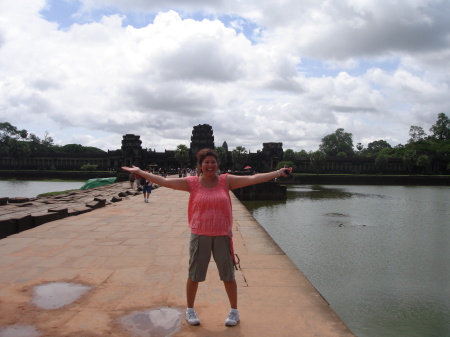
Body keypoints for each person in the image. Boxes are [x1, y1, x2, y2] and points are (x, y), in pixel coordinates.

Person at [121, 148, 292, 327]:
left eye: (213, 162)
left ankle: (234, 311)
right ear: (200, 166)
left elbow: (253, 179)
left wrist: (279, 172)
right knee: (194, 275)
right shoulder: (192, 183)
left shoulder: (226, 181)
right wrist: (140, 172)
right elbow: (164, 181)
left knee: (228, 275)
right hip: (199, 235)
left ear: (217, 164)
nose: (210, 165)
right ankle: (190, 309)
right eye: (206, 162)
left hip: (222, 235)